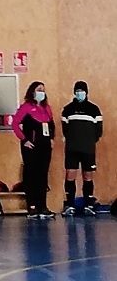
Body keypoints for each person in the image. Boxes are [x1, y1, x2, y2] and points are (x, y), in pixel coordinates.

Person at [12, 80, 56, 220]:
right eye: (39, 90)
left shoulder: (47, 108)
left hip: (45, 147)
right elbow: (15, 124)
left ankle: (42, 206)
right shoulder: (26, 107)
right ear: (32, 92)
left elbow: (51, 125)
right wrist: (24, 140)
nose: (41, 92)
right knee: (31, 175)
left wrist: (51, 138)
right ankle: (32, 206)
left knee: (43, 176)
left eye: (43, 90)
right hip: (31, 147)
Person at [61, 80, 103, 216]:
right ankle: (69, 205)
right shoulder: (67, 109)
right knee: (70, 175)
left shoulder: (94, 109)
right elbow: (65, 129)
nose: (80, 93)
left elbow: (98, 131)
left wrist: (89, 141)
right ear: (74, 92)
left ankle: (88, 205)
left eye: (82, 91)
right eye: (78, 91)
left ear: (86, 92)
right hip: (72, 148)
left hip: (88, 149)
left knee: (88, 176)